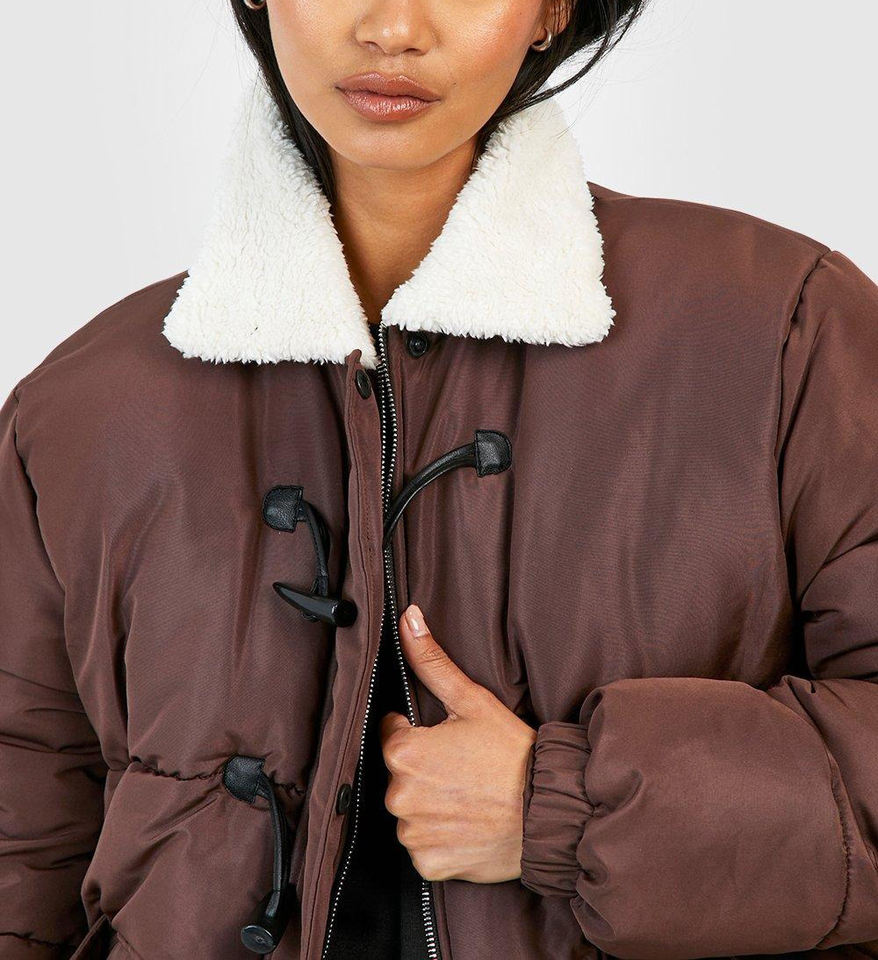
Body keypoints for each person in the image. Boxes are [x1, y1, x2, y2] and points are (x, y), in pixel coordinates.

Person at [2, 1, 877, 958]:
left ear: (552, 9)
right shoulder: (82, 412)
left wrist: (562, 807)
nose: (393, 27)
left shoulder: (780, 333)